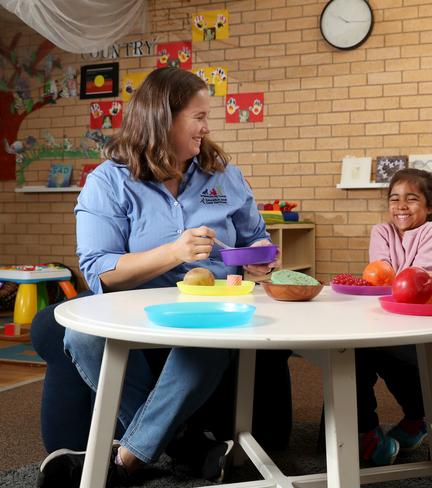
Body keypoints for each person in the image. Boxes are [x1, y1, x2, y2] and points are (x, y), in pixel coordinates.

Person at [37, 67, 280, 488]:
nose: (207, 127)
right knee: (80, 337)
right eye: (198, 116)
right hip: (136, 305)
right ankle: (184, 445)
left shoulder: (222, 174)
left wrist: (259, 257)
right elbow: (99, 269)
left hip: (213, 302)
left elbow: (255, 236)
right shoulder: (108, 182)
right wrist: (174, 252)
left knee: (207, 345)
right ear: (162, 118)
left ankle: (127, 459)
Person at [357, 168, 432, 465]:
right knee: (354, 355)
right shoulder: (381, 231)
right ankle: (365, 429)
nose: (401, 206)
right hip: (385, 318)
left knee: (396, 357)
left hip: (419, 325)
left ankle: (416, 417)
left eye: (411, 199)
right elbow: (380, 270)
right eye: (394, 199)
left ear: (431, 205)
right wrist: (389, 277)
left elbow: (416, 279)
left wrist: (389, 278)